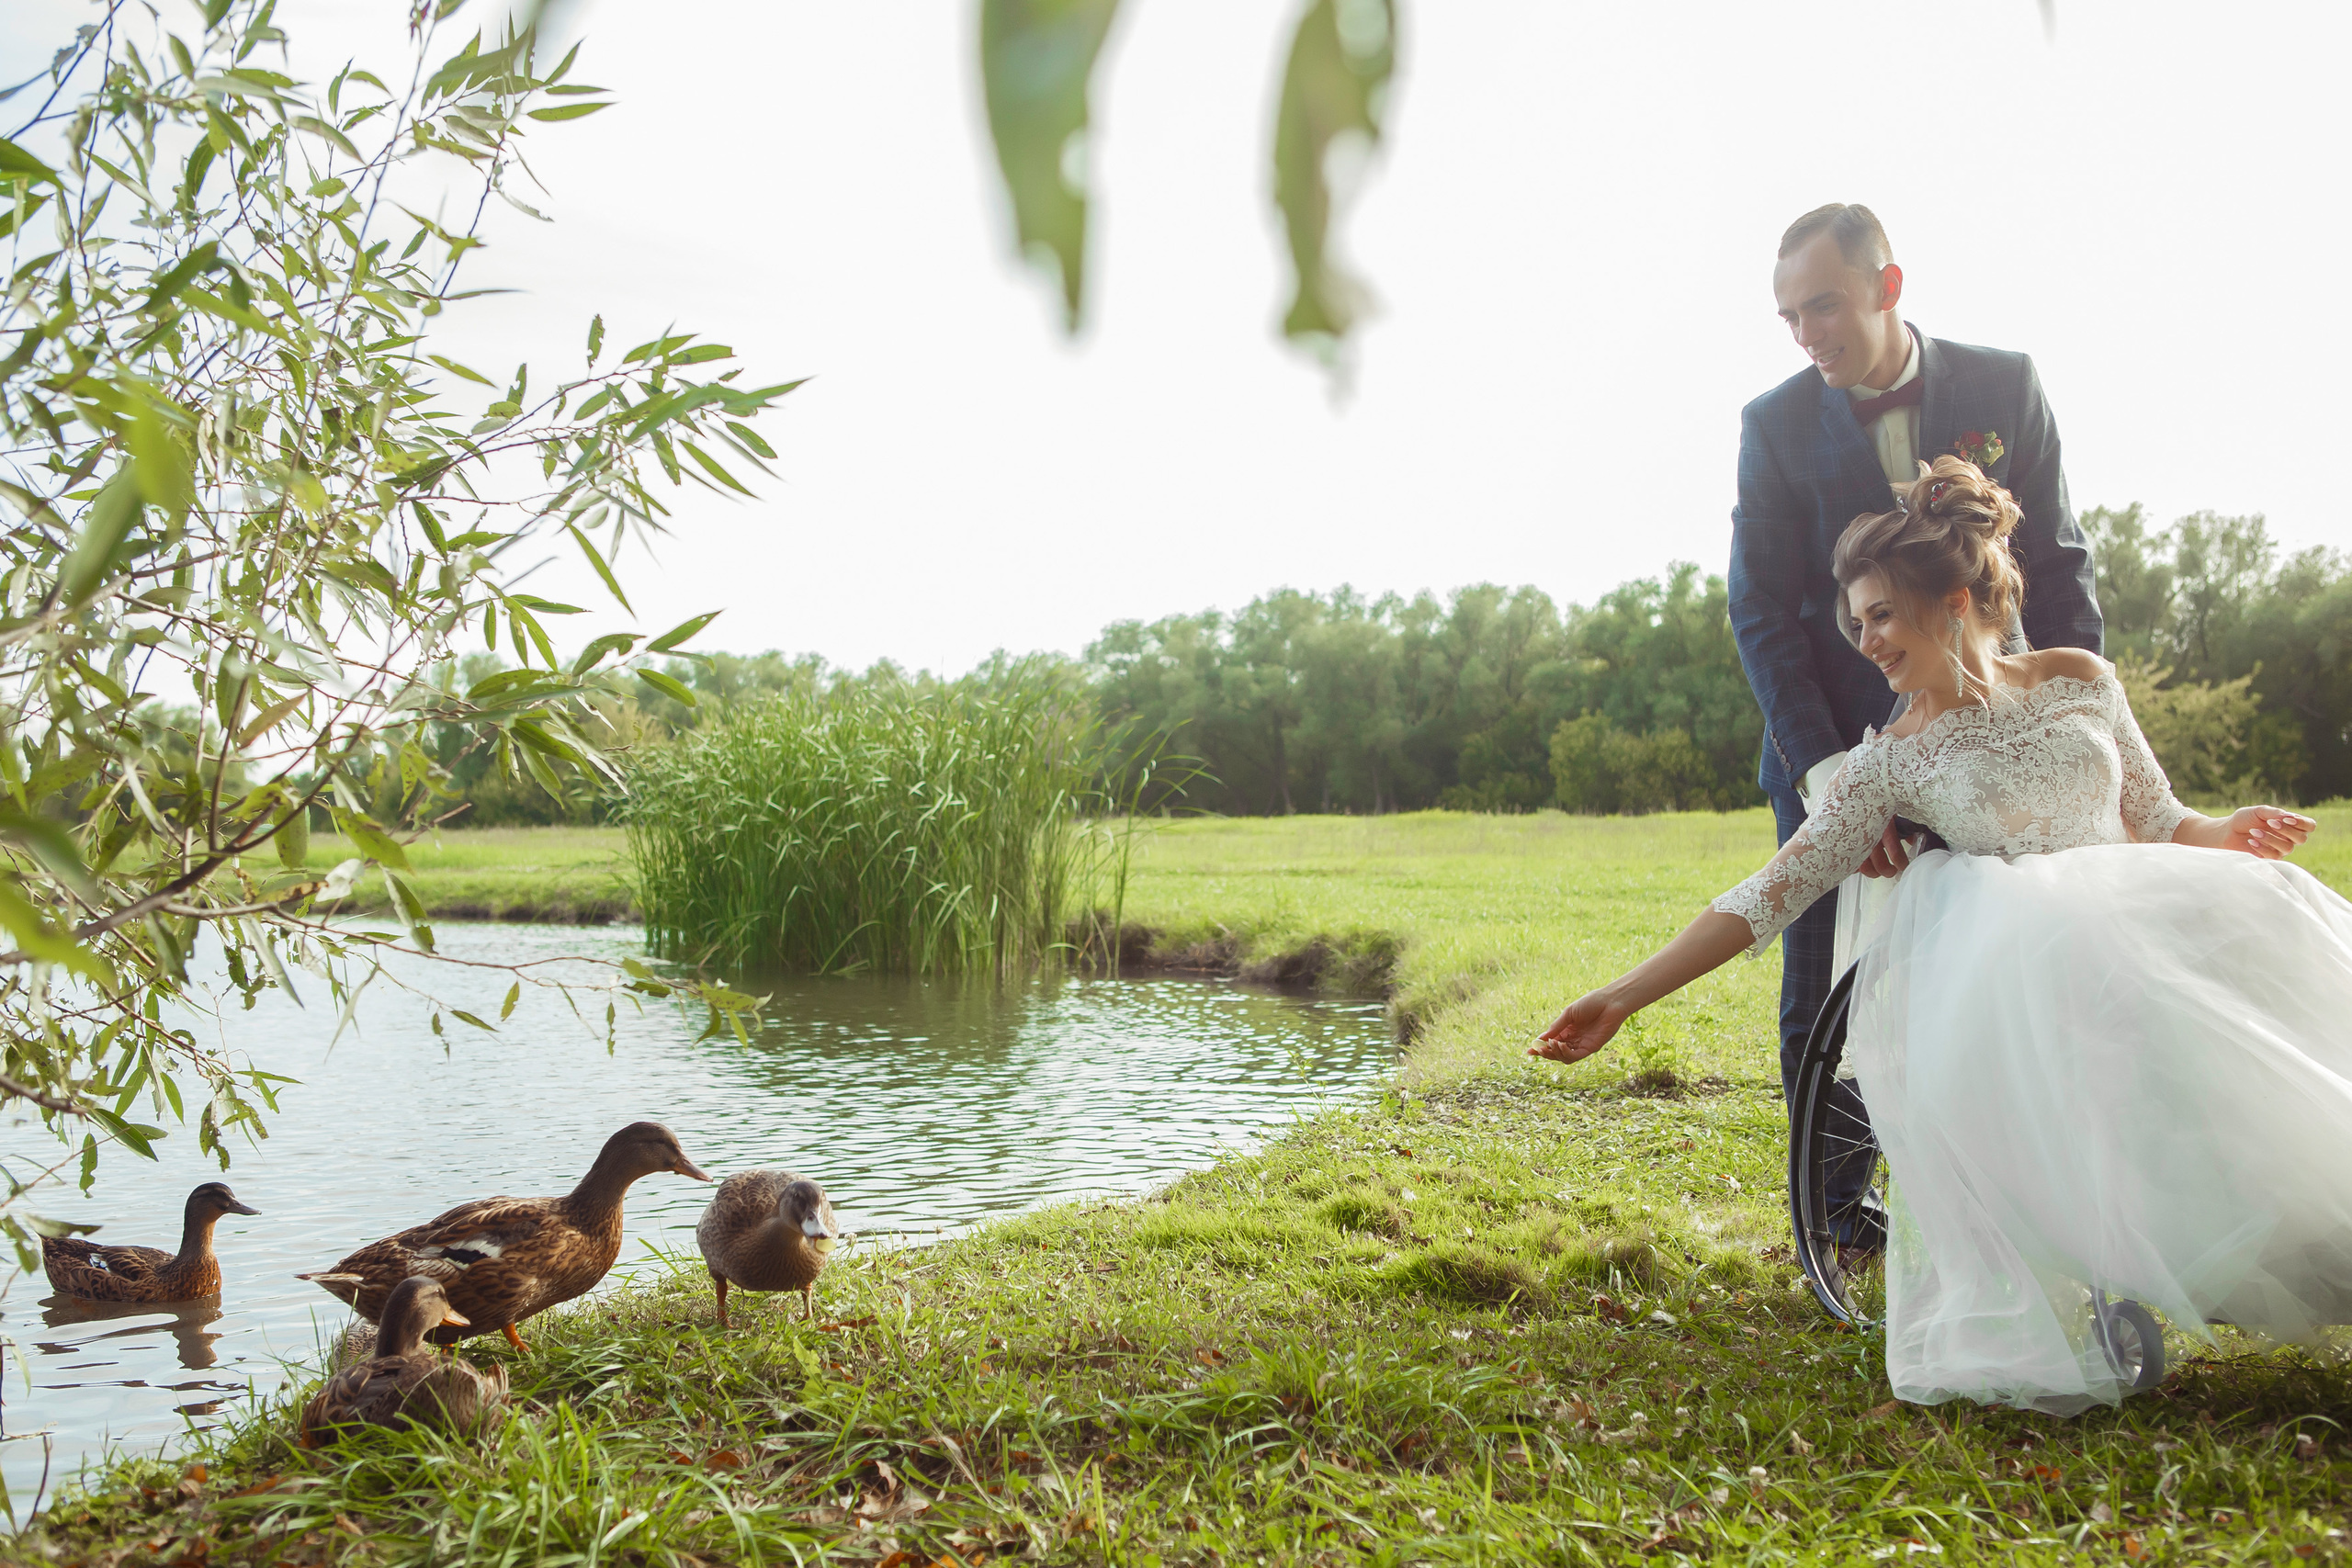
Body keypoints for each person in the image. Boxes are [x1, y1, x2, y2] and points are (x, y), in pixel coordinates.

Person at [1532, 460, 2348, 1416]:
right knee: (2100, 969)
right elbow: (1769, 891)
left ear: (1954, 600)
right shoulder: (1891, 761)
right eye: (1855, 623)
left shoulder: (2079, 681)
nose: (1866, 642)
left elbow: (2161, 815)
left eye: (1879, 615)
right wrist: (1623, 995)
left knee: (2266, 913)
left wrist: (2226, 833)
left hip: (2136, 899)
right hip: (2022, 956)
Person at [1728, 203, 2104, 1124]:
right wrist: (1824, 775)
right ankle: (1843, 1214)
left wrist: (2071, 717)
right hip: (1829, 741)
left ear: (1886, 287)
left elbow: (2056, 563)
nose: (1807, 336)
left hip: (1988, 731)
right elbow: (1760, 608)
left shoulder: (2005, 385)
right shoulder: (1772, 425)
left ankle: (2028, 1173)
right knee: (1827, 982)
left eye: (1824, 307)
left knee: (2024, 957)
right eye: (1789, 317)